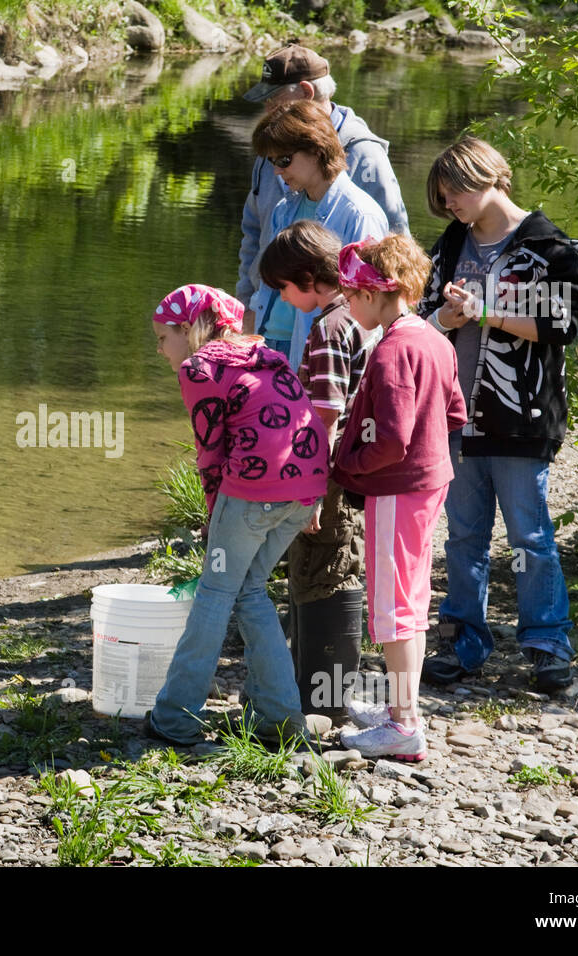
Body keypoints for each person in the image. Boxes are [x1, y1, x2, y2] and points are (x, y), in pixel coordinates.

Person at [417, 137, 578, 693]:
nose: (450, 205)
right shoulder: (448, 245)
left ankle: (547, 645)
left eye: (455, 193)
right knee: (463, 538)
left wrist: (486, 311)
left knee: (530, 537)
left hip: (522, 417)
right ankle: (463, 642)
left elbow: (563, 320)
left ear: (491, 177)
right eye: (443, 198)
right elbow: (422, 318)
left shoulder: (549, 247)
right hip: (455, 419)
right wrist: (448, 315)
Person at [144, 284, 329, 746]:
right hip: (303, 491)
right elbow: (300, 417)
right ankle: (281, 721)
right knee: (248, 591)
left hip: (254, 494)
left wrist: (215, 518)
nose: (161, 350)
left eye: (162, 338)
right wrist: (312, 499)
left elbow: (211, 454)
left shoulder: (200, 367)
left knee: (215, 592)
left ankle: (176, 717)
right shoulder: (265, 355)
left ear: (188, 330)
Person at [331, 237, 467, 760]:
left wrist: (347, 467)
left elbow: (390, 439)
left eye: (350, 293)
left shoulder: (392, 350)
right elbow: (453, 412)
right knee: (411, 597)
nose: (346, 303)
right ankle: (399, 708)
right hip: (431, 483)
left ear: (373, 291)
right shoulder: (434, 339)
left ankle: (404, 725)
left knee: (392, 606)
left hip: (396, 489)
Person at [257, 221, 381, 718]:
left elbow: (326, 414)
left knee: (322, 570)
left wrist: (308, 487)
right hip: (352, 469)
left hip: (325, 473)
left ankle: (320, 700)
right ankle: (324, 692)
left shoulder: (330, 326)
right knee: (339, 564)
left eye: (284, 289)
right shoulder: (359, 317)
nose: (285, 301)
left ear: (309, 277)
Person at [238, 44, 409, 319]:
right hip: (269, 319)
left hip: (332, 329)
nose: (267, 109)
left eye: (274, 99)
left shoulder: (363, 153)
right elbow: (253, 233)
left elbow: (394, 244)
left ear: (306, 92)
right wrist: (247, 303)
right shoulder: (270, 153)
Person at [246, 98, 388, 366]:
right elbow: (269, 286)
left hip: (317, 352)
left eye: (284, 160)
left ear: (316, 149)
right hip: (268, 342)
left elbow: (369, 304)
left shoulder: (360, 214)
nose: (277, 170)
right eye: (273, 161)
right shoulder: (283, 209)